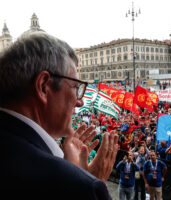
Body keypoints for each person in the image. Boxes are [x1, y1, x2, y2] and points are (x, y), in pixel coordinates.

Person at [0, 32, 119, 199]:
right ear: (43, 87)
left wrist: (66, 167)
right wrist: (82, 183)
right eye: (76, 88)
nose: (80, 102)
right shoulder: (79, 187)